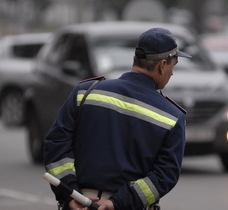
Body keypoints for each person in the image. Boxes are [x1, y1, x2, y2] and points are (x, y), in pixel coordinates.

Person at [44, 27, 191, 210]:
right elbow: (163, 176)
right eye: (173, 65)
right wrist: (117, 203)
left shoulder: (85, 92)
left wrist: (70, 193)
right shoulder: (172, 117)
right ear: (162, 65)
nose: (172, 73)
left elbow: (56, 144)